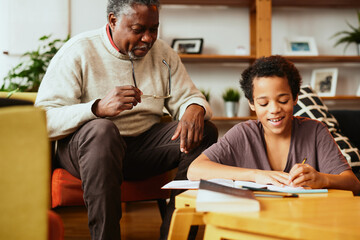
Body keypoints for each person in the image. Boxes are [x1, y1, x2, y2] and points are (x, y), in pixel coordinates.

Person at [35, 0, 218, 239]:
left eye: (154, 29)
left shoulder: (163, 55)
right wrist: (96, 108)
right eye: (138, 29)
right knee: (102, 130)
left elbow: (188, 96)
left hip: (140, 148)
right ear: (112, 21)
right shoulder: (79, 51)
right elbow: (43, 120)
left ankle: (177, 233)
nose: (148, 38)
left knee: (204, 131)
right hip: (87, 150)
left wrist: (194, 106)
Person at [187, 55, 360, 195]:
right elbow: (194, 170)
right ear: (252, 104)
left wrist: (322, 179)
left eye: (283, 100)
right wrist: (256, 175)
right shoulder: (244, 134)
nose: (274, 109)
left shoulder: (315, 131)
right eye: (263, 103)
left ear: (295, 98)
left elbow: (353, 183)